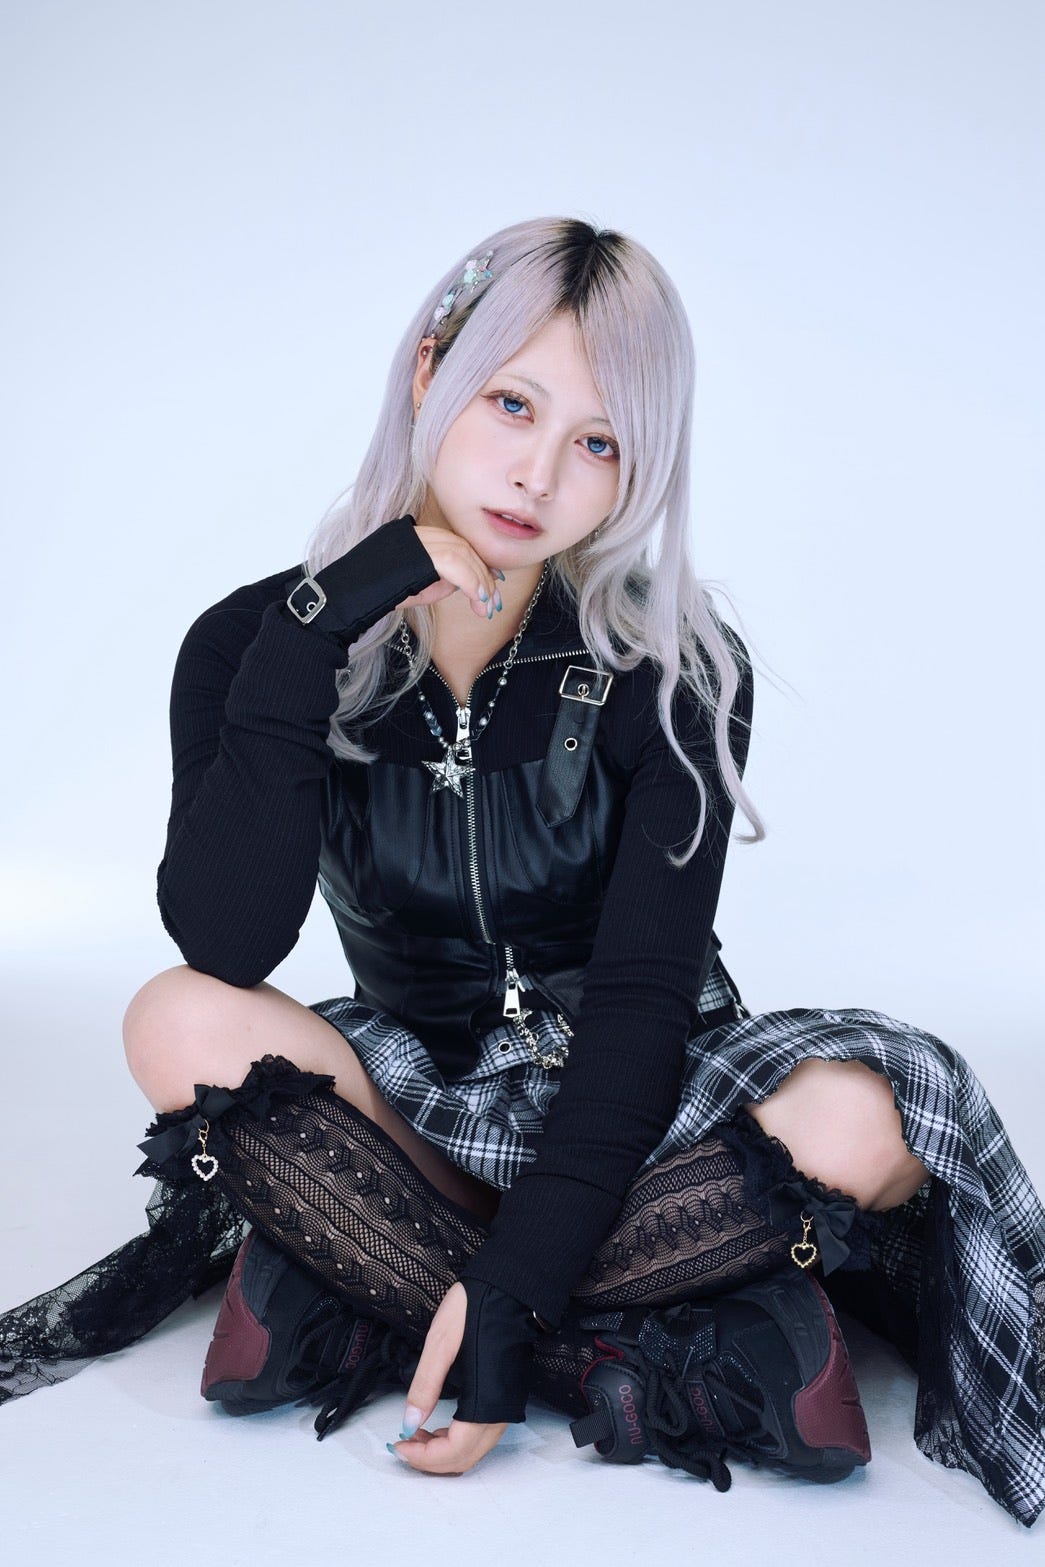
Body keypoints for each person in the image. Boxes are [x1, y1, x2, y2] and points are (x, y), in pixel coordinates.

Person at [1, 217, 1042, 1524]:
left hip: (650, 1101)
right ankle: (664, 1328)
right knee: (175, 1017)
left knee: (867, 1121)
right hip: (419, 1097)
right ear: (428, 371)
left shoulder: (674, 666)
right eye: (511, 404)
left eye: (600, 443)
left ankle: (392, 1289)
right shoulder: (256, 638)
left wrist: (508, 1291)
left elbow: (642, 1000)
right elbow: (227, 937)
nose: (539, 474)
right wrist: (323, 627)